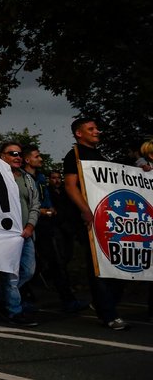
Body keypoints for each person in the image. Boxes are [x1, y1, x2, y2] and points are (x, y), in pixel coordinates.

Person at [63, 118, 127, 330]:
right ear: (79, 133)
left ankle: (103, 303)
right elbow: (70, 186)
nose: (97, 131)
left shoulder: (100, 156)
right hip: (90, 220)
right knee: (99, 267)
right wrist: (85, 210)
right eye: (91, 129)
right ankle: (108, 314)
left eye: (97, 128)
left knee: (117, 262)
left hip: (107, 219)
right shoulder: (74, 156)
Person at [23, 145, 85, 312]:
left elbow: (46, 198)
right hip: (28, 225)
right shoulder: (21, 178)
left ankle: (68, 299)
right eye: (36, 156)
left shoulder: (41, 177)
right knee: (29, 264)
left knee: (56, 262)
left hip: (45, 226)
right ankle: (22, 297)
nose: (40, 159)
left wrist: (49, 208)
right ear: (27, 159)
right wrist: (40, 211)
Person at [0, 142, 39, 327]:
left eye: (19, 153)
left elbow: (35, 205)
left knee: (28, 271)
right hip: (6, 235)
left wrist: (30, 226)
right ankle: (14, 312)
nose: (17, 157)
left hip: (25, 233)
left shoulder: (27, 179)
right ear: (2, 157)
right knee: (12, 275)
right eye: (12, 153)